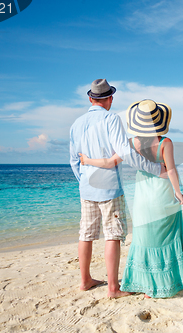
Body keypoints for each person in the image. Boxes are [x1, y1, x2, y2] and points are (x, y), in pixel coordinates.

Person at [80, 99, 183, 298]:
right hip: (162, 195)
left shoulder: (131, 143)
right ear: (158, 121)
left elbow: (109, 162)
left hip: (141, 199)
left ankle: (145, 285)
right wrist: (178, 192)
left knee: (144, 239)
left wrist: (87, 160)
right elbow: (171, 170)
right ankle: (161, 284)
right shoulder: (165, 143)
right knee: (165, 237)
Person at [70, 80, 166, 298]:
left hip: (86, 188)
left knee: (85, 234)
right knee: (112, 234)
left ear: (90, 98)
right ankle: (113, 288)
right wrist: (154, 168)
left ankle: (85, 280)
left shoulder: (77, 123)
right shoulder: (111, 119)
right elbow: (126, 153)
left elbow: (73, 160)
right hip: (110, 188)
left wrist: (83, 180)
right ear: (110, 98)